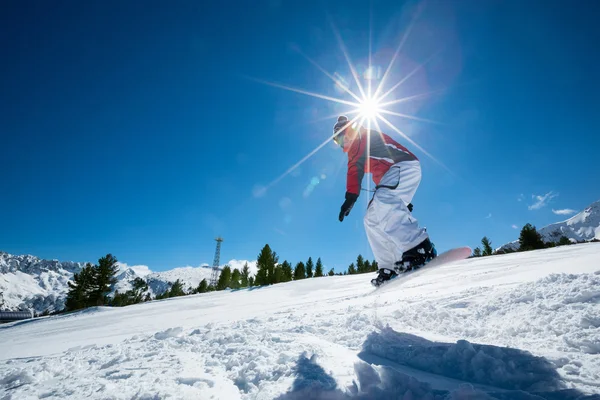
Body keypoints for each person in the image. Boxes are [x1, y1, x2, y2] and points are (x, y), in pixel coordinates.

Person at [332, 115, 436, 286]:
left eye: (341, 137)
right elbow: (381, 174)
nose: (342, 143)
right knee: (371, 219)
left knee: (382, 198)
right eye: (337, 141)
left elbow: (354, 169)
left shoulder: (360, 137)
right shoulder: (360, 148)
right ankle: (390, 266)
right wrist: (398, 201)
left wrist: (351, 197)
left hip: (405, 165)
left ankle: (421, 247)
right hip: (394, 174)